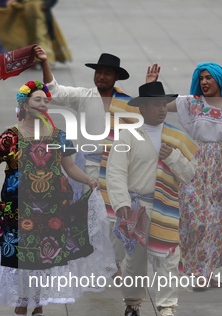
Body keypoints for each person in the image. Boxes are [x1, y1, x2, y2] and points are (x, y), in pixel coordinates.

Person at [0, 80, 116, 316]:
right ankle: (22, 301)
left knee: (45, 257)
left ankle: (39, 309)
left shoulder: (58, 136)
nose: (43, 104)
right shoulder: (10, 136)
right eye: (38, 100)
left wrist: (89, 179)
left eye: (46, 101)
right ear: (24, 104)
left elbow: (69, 167)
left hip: (51, 206)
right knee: (23, 257)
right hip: (18, 206)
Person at [36, 46, 157, 277]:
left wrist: (149, 86)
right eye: (99, 72)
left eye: (107, 73)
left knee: (114, 217)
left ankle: (113, 261)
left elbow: (147, 120)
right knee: (91, 215)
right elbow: (54, 91)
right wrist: (44, 62)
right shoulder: (84, 96)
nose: (101, 76)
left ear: (115, 78)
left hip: (118, 168)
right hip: (88, 167)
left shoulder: (127, 103)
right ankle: (96, 260)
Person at [107, 82, 198, 316]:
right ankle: (132, 304)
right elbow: (115, 172)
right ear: (143, 108)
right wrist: (122, 203)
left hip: (166, 207)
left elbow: (190, 175)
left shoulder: (176, 138)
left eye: (163, 104)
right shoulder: (127, 135)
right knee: (134, 260)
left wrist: (174, 157)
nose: (161, 109)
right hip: (137, 206)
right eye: (156, 104)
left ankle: (168, 311)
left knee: (168, 258)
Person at [156, 62, 222, 289]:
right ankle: (197, 268)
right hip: (198, 165)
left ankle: (205, 271)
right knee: (198, 219)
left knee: (218, 223)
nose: (204, 82)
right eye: (201, 78)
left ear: (220, 80)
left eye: (209, 78)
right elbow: (160, 106)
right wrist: (151, 87)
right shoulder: (193, 103)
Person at [0, 0, 71, 65]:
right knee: (29, 35)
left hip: (39, 10)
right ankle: (35, 58)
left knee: (40, 34)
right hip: (26, 10)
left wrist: (46, 5)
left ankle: (44, 58)